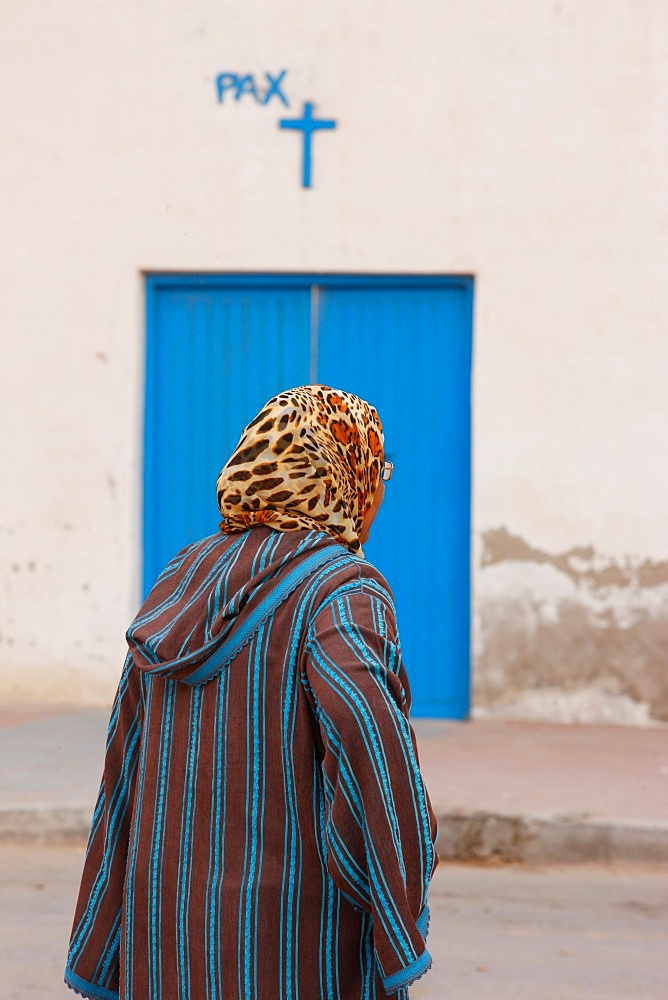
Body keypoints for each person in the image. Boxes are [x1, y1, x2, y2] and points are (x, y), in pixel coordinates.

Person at [65, 384, 438, 1000]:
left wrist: (108, 924)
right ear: (343, 477)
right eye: (378, 473)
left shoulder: (182, 577)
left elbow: (124, 765)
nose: (380, 494)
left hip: (166, 935)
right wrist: (392, 902)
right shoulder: (341, 590)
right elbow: (373, 760)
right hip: (291, 944)